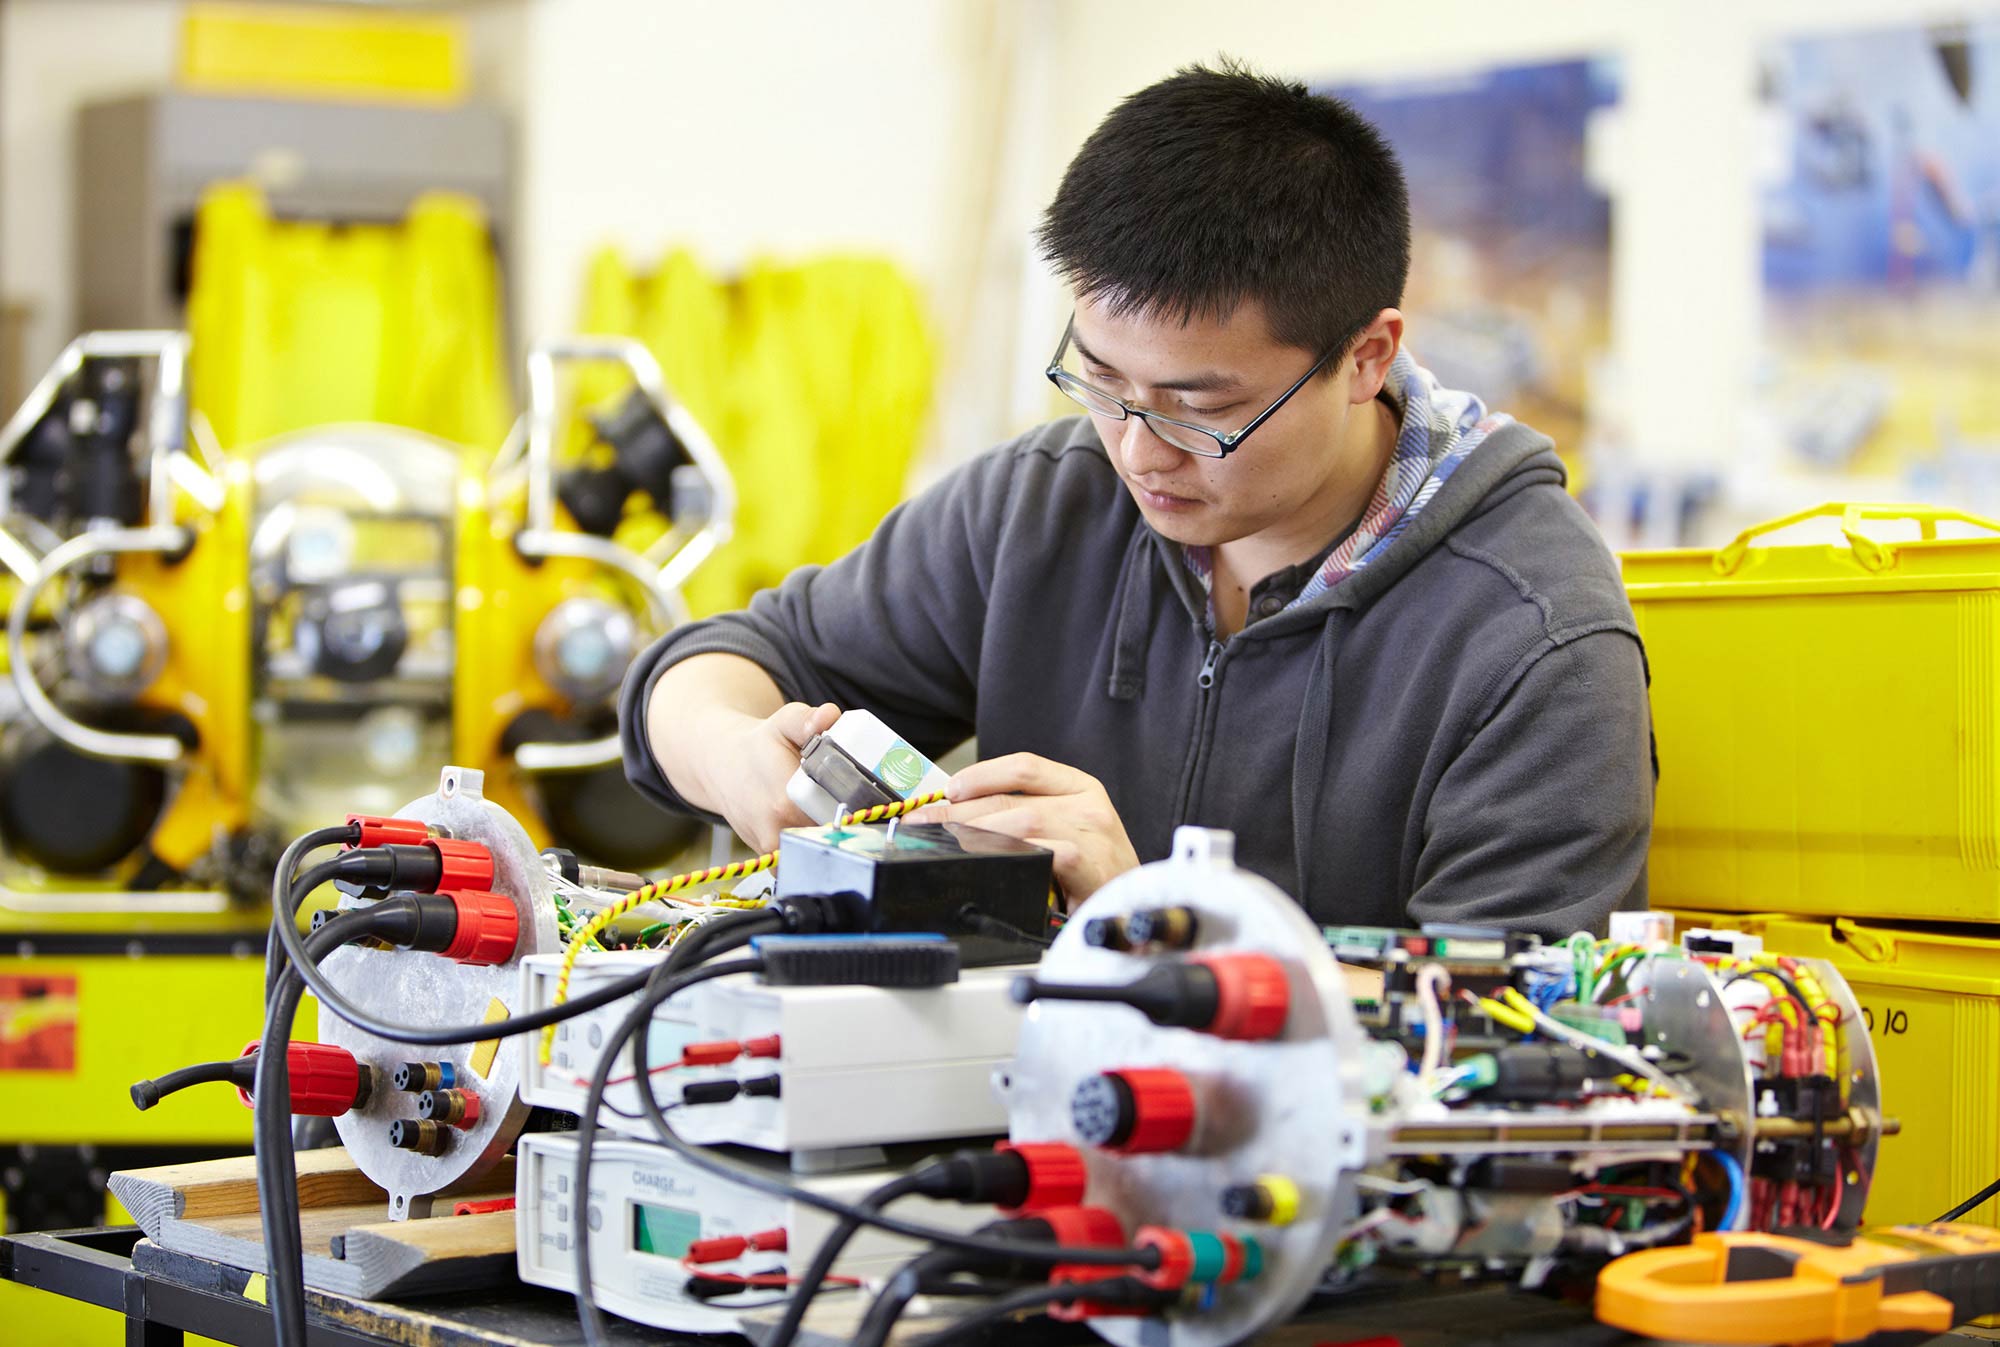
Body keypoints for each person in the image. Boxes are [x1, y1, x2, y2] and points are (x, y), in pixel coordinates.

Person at [617, 61, 1653, 938]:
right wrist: (735, 758)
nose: (1134, 449)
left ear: (1364, 355)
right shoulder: (1041, 508)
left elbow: (1507, 1047)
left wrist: (1151, 928)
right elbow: (713, 666)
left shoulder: (1531, 637)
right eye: (1101, 381)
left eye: (1199, 407)